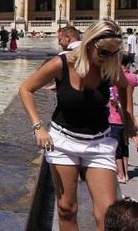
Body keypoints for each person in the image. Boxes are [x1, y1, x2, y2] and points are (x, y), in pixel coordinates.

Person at [19, 21, 135, 230]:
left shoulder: (109, 65)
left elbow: (125, 86)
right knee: (66, 208)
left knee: (107, 214)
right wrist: (38, 127)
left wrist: (129, 120)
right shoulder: (62, 63)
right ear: (89, 43)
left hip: (99, 144)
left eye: (114, 53)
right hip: (63, 142)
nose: (108, 58)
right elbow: (26, 89)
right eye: (104, 52)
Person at [111, 54, 138, 183]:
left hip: (114, 117)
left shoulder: (114, 77)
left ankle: (120, 174)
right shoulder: (132, 77)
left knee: (117, 147)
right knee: (125, 146)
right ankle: (127, 173)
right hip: (127, 116)